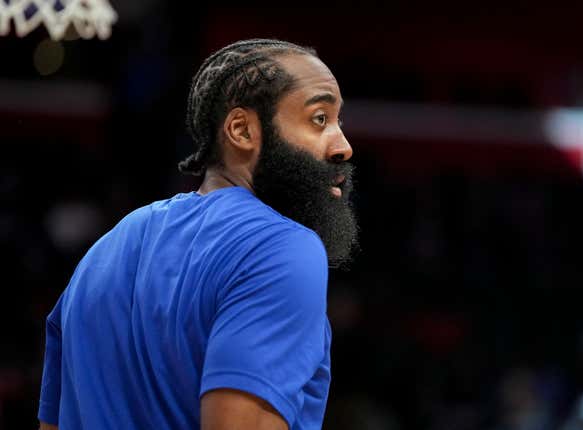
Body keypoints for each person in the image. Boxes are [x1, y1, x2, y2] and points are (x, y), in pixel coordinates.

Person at [38, 38, 358, 430]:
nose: (343, 146)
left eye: (339, 121)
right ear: (241, 130)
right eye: (319, 119)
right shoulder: (281, 246)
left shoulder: (104, 251)